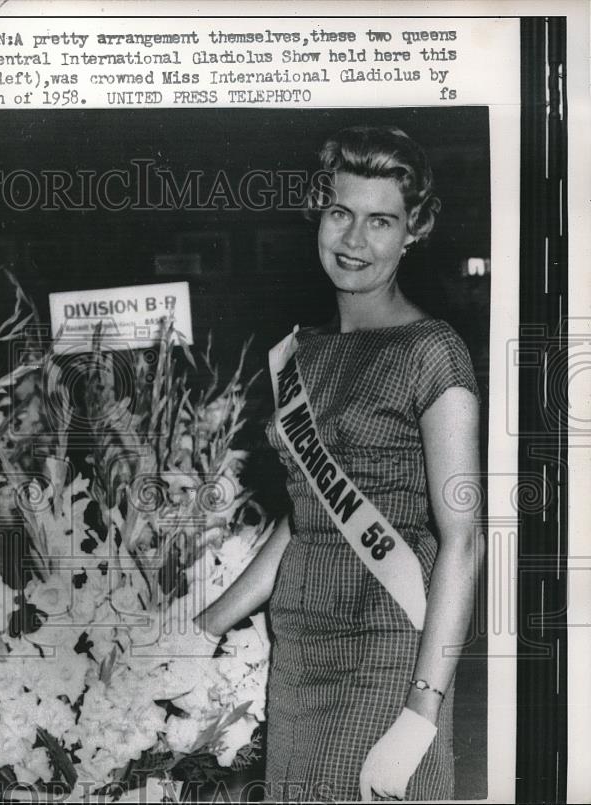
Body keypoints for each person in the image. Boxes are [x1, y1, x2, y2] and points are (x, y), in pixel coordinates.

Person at [199, 126, 483, 801]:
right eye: (339, 213)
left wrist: (423, 708)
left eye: (380, 220)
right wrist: (204, 625)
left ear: (415, 230)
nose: (354, 240)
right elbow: (304, 521)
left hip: (387, 648)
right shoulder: (302, 355)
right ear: (317, 213)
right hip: (297, 649)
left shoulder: (432, 351)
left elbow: (465, 541)